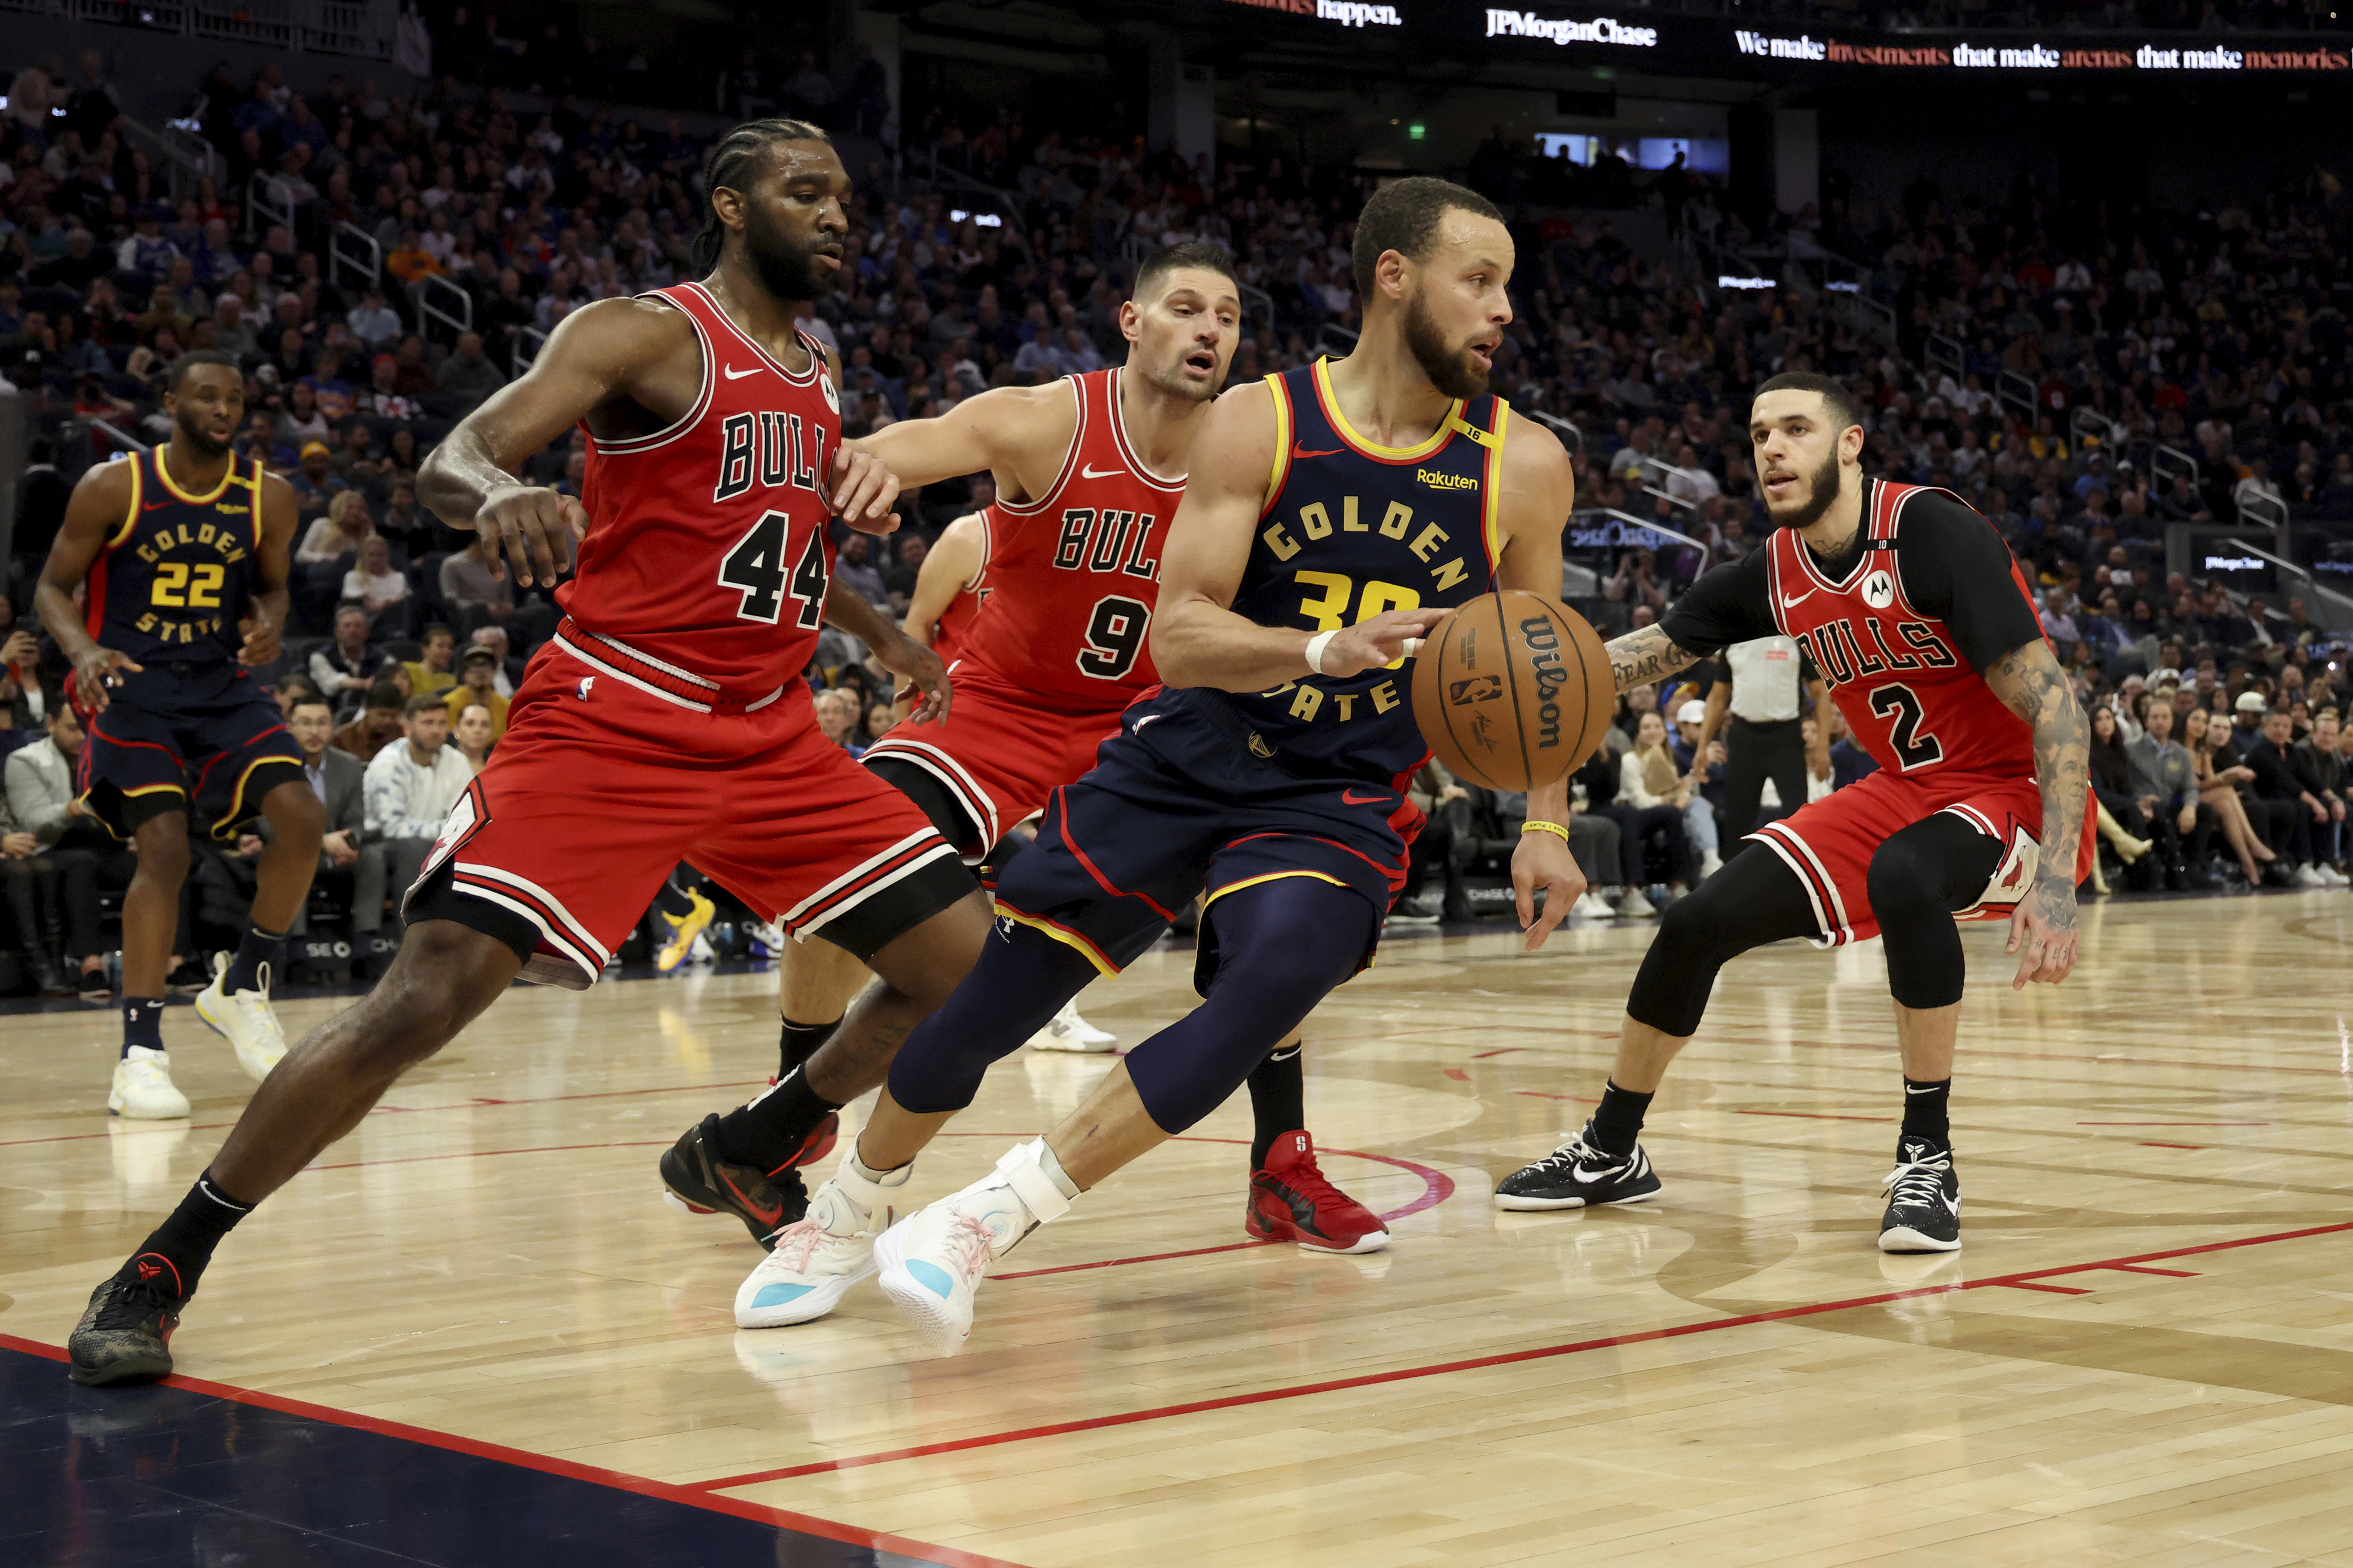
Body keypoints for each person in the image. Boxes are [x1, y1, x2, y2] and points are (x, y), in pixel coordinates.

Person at [65, 119, 991, 1388]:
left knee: (963, 967)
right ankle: (164, 1262)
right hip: (615, 716)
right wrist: (495, 491)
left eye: (845, 195)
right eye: (807, 191)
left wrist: (889, 633)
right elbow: (465, 449)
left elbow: (780, 543)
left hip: (769, 733)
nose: (838, 214)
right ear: (731, 205)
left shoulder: (818, 365)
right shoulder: (643, 333)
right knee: (425, 999)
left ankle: (754, 1144)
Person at [726, 176, 1585, 1355]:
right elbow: (1176, 634)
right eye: (1476, 281)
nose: (1500, 312)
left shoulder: (1524, 464)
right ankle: (848, 1205)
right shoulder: (1261, 423)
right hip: (1184, 751)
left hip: (1332, 793)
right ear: (1394, 279)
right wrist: (1324, 648)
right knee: (988, 1001)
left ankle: (986, 1215)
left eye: (1505, 288)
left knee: (1274, 978)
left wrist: (1548, 822)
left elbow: (1543, 665)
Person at [664, 241, 1373, 1264]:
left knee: (1277, 926)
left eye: (1227, 314)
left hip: (1156, 729)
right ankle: (795, 1099)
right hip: (999, 706)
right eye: (1185, 307)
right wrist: (859, 469)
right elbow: (901, 447)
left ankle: (1282, 1162)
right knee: (845, 851)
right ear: (1133, 324)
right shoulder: (1047, 420)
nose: (1210, 330)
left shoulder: (1255, 448)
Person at [1494, 371, 2093, 1257]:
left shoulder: (1929, 530)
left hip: (2015, 792)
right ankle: (1612, 1150)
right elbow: (1649, 651)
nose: (1772, 447)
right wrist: (1528, 669)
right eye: (1759, 432)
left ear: (1850, 445)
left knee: (1904, 872)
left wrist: (2055, 882)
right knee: (1698, 919)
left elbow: (2057, 706)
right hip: (1906, 788)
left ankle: (1927, 1156)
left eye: (1797, 429)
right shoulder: (1774, 572)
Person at [32, 351, 325, 1123]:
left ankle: (244, 982)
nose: (222, 408)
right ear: (171, 402)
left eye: (234, 397)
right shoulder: (115, 486)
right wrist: (83, 650)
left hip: (219, 684)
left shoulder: (268, 497)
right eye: (205, 395)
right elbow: (51, 588)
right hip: (130, 686)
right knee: (164, 846)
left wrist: (270, 624)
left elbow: (271, 588)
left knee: (301, 814)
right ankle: (140, 1054)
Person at [1685, 635, 1827, 848]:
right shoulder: (1733, 640)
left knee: (1798, 816)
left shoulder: (1794, 639)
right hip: (1744, 737)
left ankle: (1804, 877)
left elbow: (1820, 692)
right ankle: (1736, 878)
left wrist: (1823, 746)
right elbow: (1717, 696)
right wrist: (1702, 748)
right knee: (1738, 821)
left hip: (1785, 737)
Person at [282, 693, 387, 976]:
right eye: (305, 723)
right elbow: (272, 825)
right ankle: (297, 953)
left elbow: (356, 820)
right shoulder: (276, 766)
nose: (314, 731)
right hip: (294, 851)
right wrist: (321, 841)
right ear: (289, 726)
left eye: (322, 723)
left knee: (373, 856)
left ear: (333, 727)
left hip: (339, 853)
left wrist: (348, 842)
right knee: (289, 855)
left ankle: (365, 949)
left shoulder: (349, 765)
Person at [362, 691, 474, 916]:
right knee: (414, 848)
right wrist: (445, 832)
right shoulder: (389, 763)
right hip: (382, 844)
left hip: (438, 846)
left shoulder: (457, 761)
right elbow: (393, 828)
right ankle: (410, 933)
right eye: (427, 723)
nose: (436, 730)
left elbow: (465, 820)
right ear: (407, 728)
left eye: (442, 723)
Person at [2186, 706, 2272, 885]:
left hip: (2203, 799)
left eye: (2203, 722)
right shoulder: (2179, 750)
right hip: (2182, 799)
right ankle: (2254, 844)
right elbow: (2195, 787)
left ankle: (2248, 865)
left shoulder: (2203, 752)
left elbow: (2210, 783)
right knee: (2227, 791)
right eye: (2196, 721)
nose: (2200, 726)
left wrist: (2228, 777)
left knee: (2226, 802)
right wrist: (2229, 775)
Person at [332, 678, 408, 762]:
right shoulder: (342, 739)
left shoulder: (404, 736)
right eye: (382, 715)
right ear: (367, 709)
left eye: (394, 716)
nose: (388, 721)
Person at [451, 701, 496, 771]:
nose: (478, 730)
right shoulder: (443, 764)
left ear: (492, 732)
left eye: (485, 725)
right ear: (456, 730)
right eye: (470, 724)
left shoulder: (499, 765)